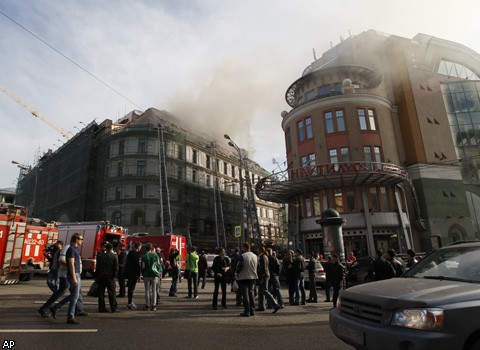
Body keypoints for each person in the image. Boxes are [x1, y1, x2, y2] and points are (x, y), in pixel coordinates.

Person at [38, 240, 63, 317]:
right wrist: (47, 256)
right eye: (56, 244)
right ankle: (56, 293)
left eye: (58, 244)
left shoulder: (61, 252)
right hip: (52, 268)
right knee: (49, 282)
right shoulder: (55, 251)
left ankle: (55, 295)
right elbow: (52, 260)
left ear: (61, 245)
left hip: (57, 270)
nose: (56, 245)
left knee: (56, 284)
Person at [65, 232, 84, 324]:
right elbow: (71, 263)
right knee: (75, 296)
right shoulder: (71, 249)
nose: (82, 241)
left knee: (74, 295)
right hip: (74, 274)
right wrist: (74, 277)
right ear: (76, 239)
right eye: (81, 239)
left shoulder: (75, 249)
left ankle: (56, 307)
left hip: (76, 273)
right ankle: (70, 316)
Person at [256, 245, 281, 313]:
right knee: (261, 292)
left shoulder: (262, 257)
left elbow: (263, 269)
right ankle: (261, 306)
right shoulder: (264, 256)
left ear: (260, 250)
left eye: (258, 250)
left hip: (264, 276)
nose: (257, 251)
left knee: (265, 291)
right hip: (265, 276)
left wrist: (260, 278)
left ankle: (275, 304)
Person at [96, 242, 119, 313]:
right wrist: (114, 276)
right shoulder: (114, 256)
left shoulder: (101, 256)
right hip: (110, 278)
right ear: (112, 248)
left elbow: (98, 267)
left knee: (101, 293)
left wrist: (97, 276)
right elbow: (116, 268)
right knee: (112, 293)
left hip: (101, 277)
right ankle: (113, 308)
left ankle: (101, 308)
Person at [236, 242, 258, 317]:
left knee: (245, 294)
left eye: (242, 248)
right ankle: (252, 310)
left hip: (244, 277)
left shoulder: (243, 256)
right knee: (251, 293)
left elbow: (240, 265)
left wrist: (237, 273)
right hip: (253, 277)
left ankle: (247, 311)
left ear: (245, 248)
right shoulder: (255, 256)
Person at [142, 243, 159, 311]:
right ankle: (154, 305)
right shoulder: (155, 255)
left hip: (146, 274)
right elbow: (158, 264)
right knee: (154, 290)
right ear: (152, 248)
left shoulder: (144, 256)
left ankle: (147, 305)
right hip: (154, 274)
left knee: (147, 290)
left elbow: (143, 267)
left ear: (146, 248)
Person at [124, 241, 141, 309]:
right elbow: (137, 266)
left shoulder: (130, 253)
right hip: (133, 273)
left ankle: (129, 302)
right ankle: (130, 302)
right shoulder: (136, 254)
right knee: (131, 288)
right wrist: (138, 275)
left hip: (129, 272)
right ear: (138, 247)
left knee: (130, 288)